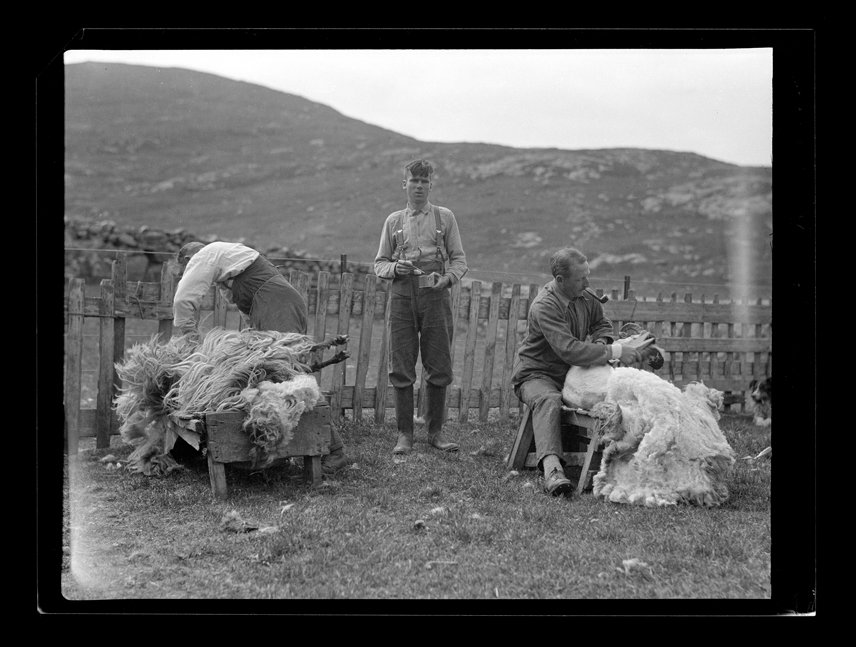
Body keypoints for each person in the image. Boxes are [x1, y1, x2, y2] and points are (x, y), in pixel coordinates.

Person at [173, 240, 349, 473]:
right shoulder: (229, 262)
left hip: (276, 304)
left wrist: (189, 337)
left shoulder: (205, 255)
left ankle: (335, 451)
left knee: (287, 375)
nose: (189, 271)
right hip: (275, 303)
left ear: (188, 259)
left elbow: (183, 300)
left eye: (187, 268)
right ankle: (282, 447)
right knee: (275, 377)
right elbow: (250, 307)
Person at [510, 247, 654, 497]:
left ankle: (629, 459)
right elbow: (570, 350)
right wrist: (615, 351)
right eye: (581, 278)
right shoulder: (544, 306)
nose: (588, 283)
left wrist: (601, 342)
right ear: (560, 280)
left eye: (588, 275)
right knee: (548, 399)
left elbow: (601, 324)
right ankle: (553, 471)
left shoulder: (584, 295)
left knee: (610, 392)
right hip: (537, 375)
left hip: (573, 374)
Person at [373, 159, 468, 455]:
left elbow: (460, 260)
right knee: (401, 365)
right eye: (414, 181)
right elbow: (379, 263)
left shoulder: (445, 218)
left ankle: (436, 433)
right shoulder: (393, 221)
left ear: (431, 185)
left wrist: (448, 279)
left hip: (435, 295)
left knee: (438, 365)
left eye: (424, 182)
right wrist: (394, 269)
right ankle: (404, 435)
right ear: (404, 184)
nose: (419, 186)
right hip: (402, 295)